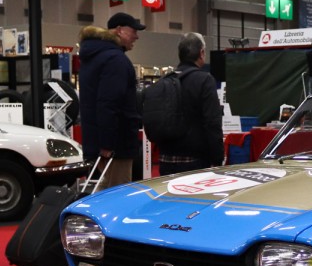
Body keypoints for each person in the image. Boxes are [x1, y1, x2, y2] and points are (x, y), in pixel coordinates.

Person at [77, 12, 145, 190]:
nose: (136, 36)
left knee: (105, 189)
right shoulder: (115, 60)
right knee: (118, 195)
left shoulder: (94, 56)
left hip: (101, 141)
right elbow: (109, 103)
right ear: (119, 30)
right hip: (116, 145)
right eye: (133, 31)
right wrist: (107, 144)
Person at [157, 33, 224, 175]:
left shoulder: (165, 80)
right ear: (201, 53)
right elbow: (212, 122)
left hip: (165, 159)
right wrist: (218, 158)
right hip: (195, 162)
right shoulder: (204, 80)